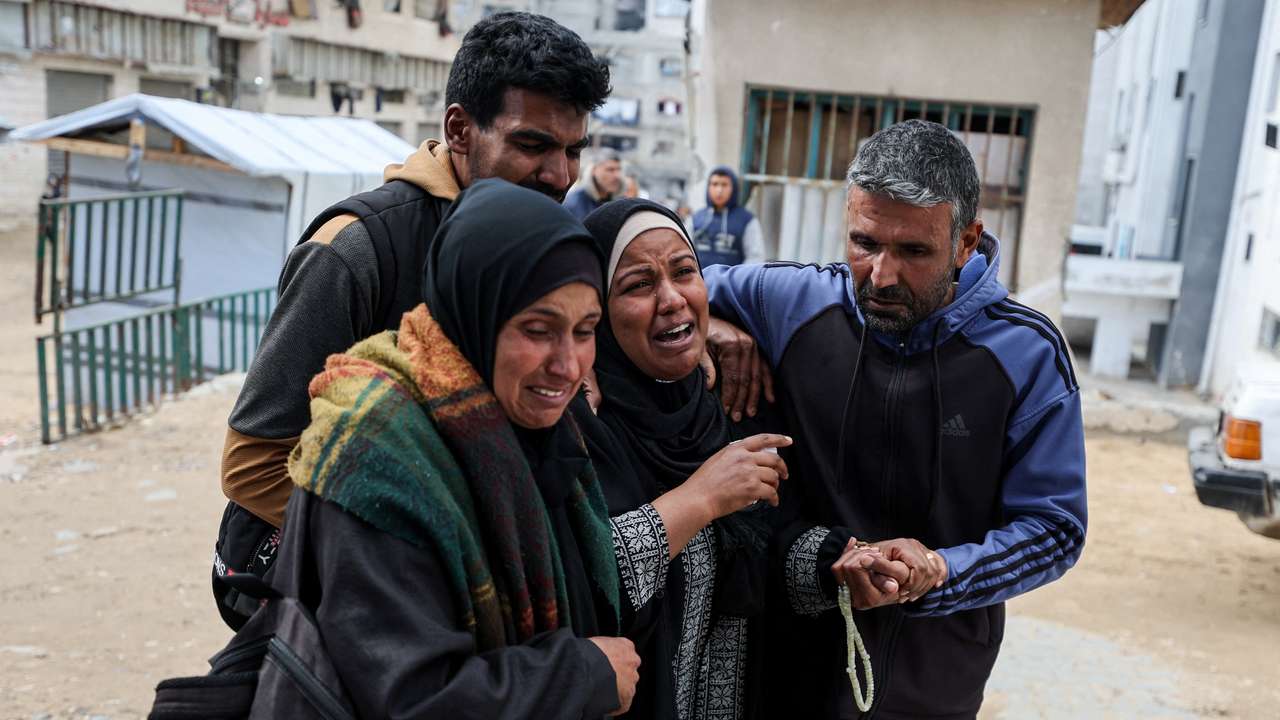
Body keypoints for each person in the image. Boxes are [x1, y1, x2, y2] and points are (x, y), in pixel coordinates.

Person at [212, 11, 611, 629]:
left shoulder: (548, 243)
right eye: (532, 145)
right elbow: (253, 465)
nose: (559, 175)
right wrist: (417, 548)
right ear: (459, 128)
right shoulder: (357, 250)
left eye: (573, 151)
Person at [702, 119, 1088, 718]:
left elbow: (1055, 527)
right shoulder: (792, 303)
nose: (881, 275)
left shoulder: (1027, 353)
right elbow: (650, 290)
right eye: (864, 244)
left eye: (913, 251)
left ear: (965, 242)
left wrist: (938, 570)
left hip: (934, 679)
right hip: (786, 667)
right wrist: (713, 326)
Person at [272, 179, 639, 717]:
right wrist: (582, 676)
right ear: (475, 309)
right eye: (538, 329)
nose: (568, 365)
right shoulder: (379, 456)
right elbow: (410, 697)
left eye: (585, 331)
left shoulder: (534, 425)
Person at [573, 198, 903, 720]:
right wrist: (700, 498)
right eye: (638, 285)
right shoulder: (575, 424)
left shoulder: (728, 401)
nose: (672, 300)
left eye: (685, 272)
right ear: (593, 310)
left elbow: (768, 549)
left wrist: (838, 566)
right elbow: (573, 581)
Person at [690, 166, 765, 267]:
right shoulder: (695, 218)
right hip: (699, 281)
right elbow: (685, 252)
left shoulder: (747, 220)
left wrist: (737, 279)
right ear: (708, 187)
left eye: (724, 185)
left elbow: (755, 257)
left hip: (732, 282)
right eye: (715, 184)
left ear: (733, 188)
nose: (719, 190)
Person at [564, 149, 624, 220]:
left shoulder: (621, 201)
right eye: (610, 170)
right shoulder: (574, 203)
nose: (617, 176)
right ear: (593, 170)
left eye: (619, 169)